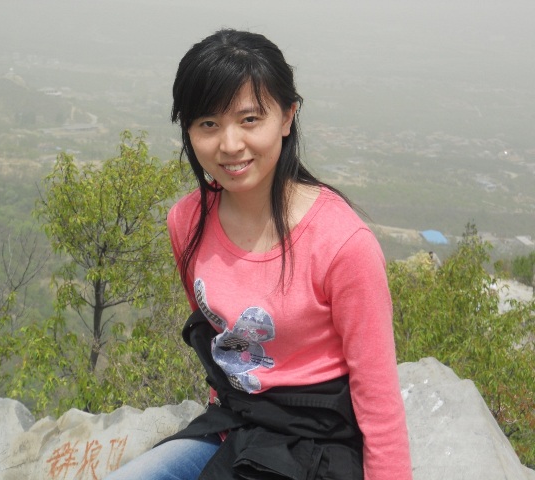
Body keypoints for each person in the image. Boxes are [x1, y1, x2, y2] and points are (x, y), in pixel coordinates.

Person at [104, 28, 412, 480]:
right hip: (235, 426)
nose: (230, 145)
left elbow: (379, 399)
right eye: (208, 124)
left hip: (317, 446)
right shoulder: (187, 222)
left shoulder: (342, 244)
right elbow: (216, 335)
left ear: (287, 117)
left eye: (250, 119)